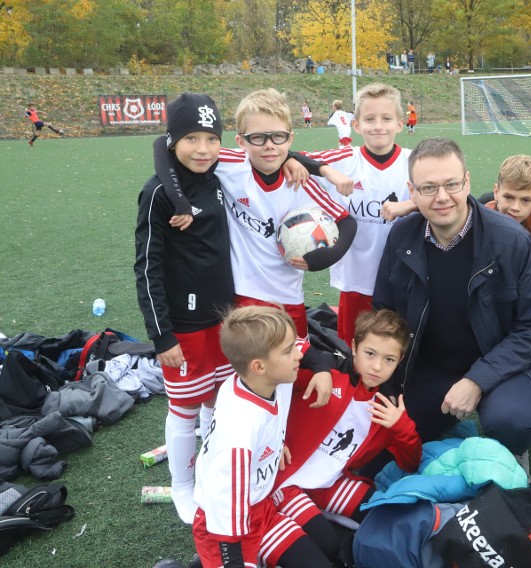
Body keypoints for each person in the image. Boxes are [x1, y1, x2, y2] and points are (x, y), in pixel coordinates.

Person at [372, 137, 531, 469]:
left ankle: (513, 456)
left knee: (512, 421)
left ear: (468, 182)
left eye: (451, 184)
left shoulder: (512, 240)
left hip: (505, 364)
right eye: (428, 188)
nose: (442, 197)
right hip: (436, 363)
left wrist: (477, 380)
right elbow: (385, 313)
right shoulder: (402, 236)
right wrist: (381, 378)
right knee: (382, 436)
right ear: (412, 191)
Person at [162, 88, 357, 339]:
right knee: (254, 369)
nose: (268, 146)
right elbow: (164, 148)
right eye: (257, 138)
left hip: (290, 298)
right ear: (240, 141)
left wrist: (329, 256)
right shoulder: (231, 166)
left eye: (278, 137)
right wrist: (179, 201)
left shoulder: (301, 182)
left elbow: (347, 221)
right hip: (244, 297)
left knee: (294, 367)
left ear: (290, 138)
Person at [134, 93, 234, 523]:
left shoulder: (218, 176)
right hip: (185, 327)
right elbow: (147, 268)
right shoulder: (157, 193)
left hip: (225, 320)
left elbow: (270, 149)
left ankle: (209, 470)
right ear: (174, 139)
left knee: (219, 400)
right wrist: (162, 336)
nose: (203, 149)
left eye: (211, 138)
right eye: (191, 138)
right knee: (184, 408)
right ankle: (181, 486)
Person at [192, 306, 335, 568]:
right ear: (259, 366)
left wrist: (323, 369)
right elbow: (226, 512)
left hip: (261, 509)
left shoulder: (266, 378)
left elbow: (309, 350)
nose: (297, 355)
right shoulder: (238, 435)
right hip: (223, 530)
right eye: (288, 351)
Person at [271, 309, 421, 533]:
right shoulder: (325, 375)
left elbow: (410, 464)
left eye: (388, 359)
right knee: (324, 542)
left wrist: (402, 427)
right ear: (353, 347)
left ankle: (319, 513)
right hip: (285, 479)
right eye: (370, 353)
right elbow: (271, 375)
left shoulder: (386, 408)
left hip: (331, 484)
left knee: (382, 517)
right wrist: (273, 440)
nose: (377, 366)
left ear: (399, 360)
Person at [305, 83, 418, 346]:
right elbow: (292, 158)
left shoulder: (414, 161)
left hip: (401, 279)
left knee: (398, 348)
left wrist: (409, 205)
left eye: (386, 118)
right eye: (369, 119)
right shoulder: (344, 159)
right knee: (350, 349)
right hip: (355, 279)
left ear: (400, 124)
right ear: (356, 125)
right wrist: (328, 172)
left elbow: (444, 193)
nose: (378, 125)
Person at [484, 155, 531, 252]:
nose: (516, 208)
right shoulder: (479, 222)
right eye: (508, 197)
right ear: (496, 192)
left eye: (525, 200)